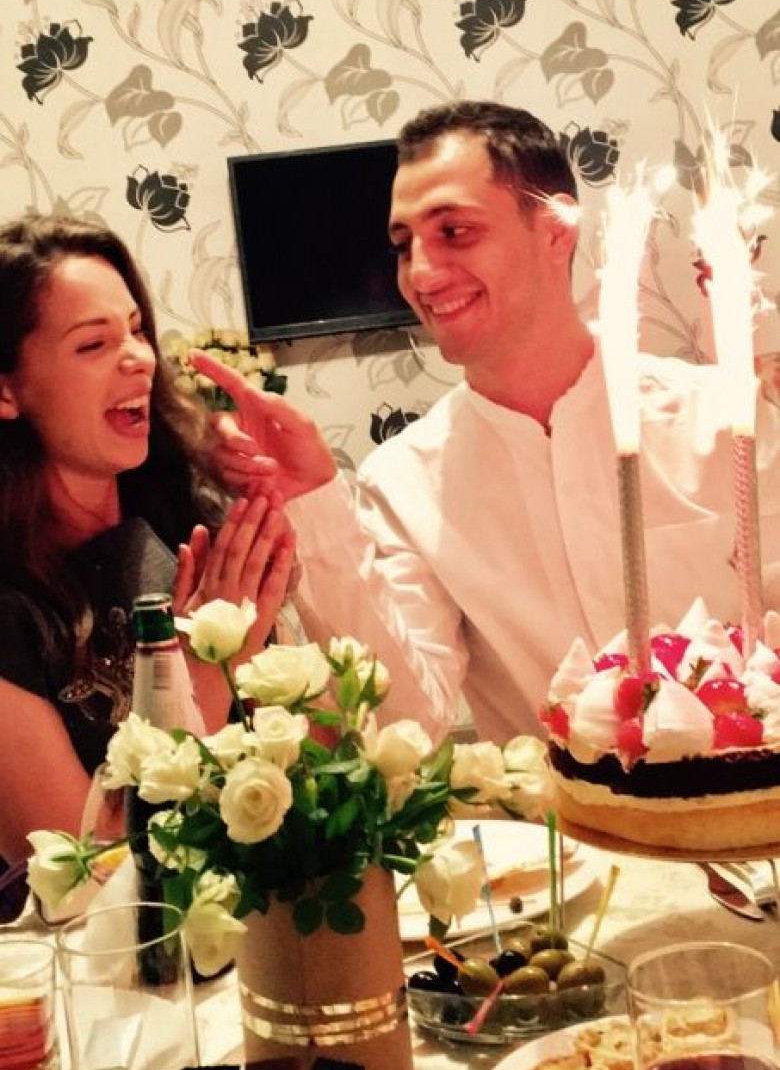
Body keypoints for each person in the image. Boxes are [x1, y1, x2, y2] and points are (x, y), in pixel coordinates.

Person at [193, 100, 780, 747]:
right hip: (556, 812)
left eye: (455, 231)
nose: (420, 274)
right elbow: (405, 719)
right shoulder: (408, 483)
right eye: (403, 245)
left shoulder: (722, 417)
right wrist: (315, 500)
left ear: (555, 231)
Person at [0, 214, 295, 866]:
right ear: (8, 389)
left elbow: (314, 766)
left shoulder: (187, 522)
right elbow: (78, 873)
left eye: (136, 330)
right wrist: (206, 672)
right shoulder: (12, 609)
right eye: (92, 344)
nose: (140, 357)